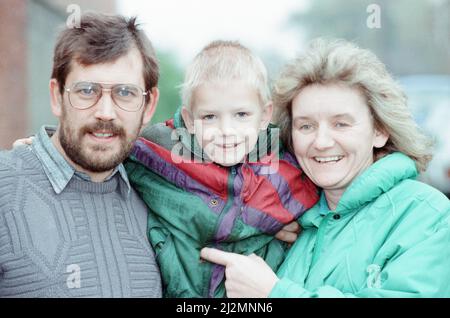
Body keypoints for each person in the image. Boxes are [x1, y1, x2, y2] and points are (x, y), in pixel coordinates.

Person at [200, 38, 450, 298]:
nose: (321, 142)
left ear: (380, 130)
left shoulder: (425, 215)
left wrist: (275, 294)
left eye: (340, 124)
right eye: (306, 126)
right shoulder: (289, 218)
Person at [123, 40, 319, 297]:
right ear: (191, 120)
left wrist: (272, 221)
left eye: (241, 115)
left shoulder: (283, 161)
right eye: (210, 117)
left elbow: (316, 205)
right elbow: (113, 149)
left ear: (264, 115)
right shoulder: (165, 152)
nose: (226, 131)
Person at [0, 13, 162, 297]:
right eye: (87, 91)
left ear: (148, 106)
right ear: (57, 96)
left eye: (125, 93)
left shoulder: (160, 197)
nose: (105, 113)